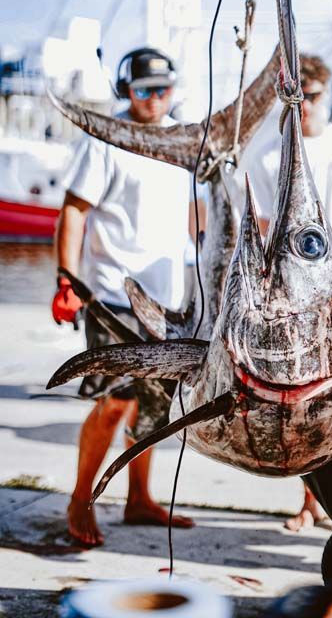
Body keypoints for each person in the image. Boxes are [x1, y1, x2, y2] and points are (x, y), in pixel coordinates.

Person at [52, 47, 196, 546]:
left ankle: (138, 500)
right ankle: (80, 498)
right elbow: (73, 210)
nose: (155, 99)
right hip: (113, 297)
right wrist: (66, 281)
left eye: (164, 88)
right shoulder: (105, 139)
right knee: (114, 403)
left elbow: (191, 216)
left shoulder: (183, 138)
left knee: (154, 409)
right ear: (125, 92)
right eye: (143, 90)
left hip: (169, 301)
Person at [247, 53, 332, 530]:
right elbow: (263, 234)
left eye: (314, 96)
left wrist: (328, 286)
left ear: (327, 95)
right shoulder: (266, 154)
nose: (304, 107)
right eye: (295, 99)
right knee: (301, 404)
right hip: (293, 308)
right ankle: (310, 501)